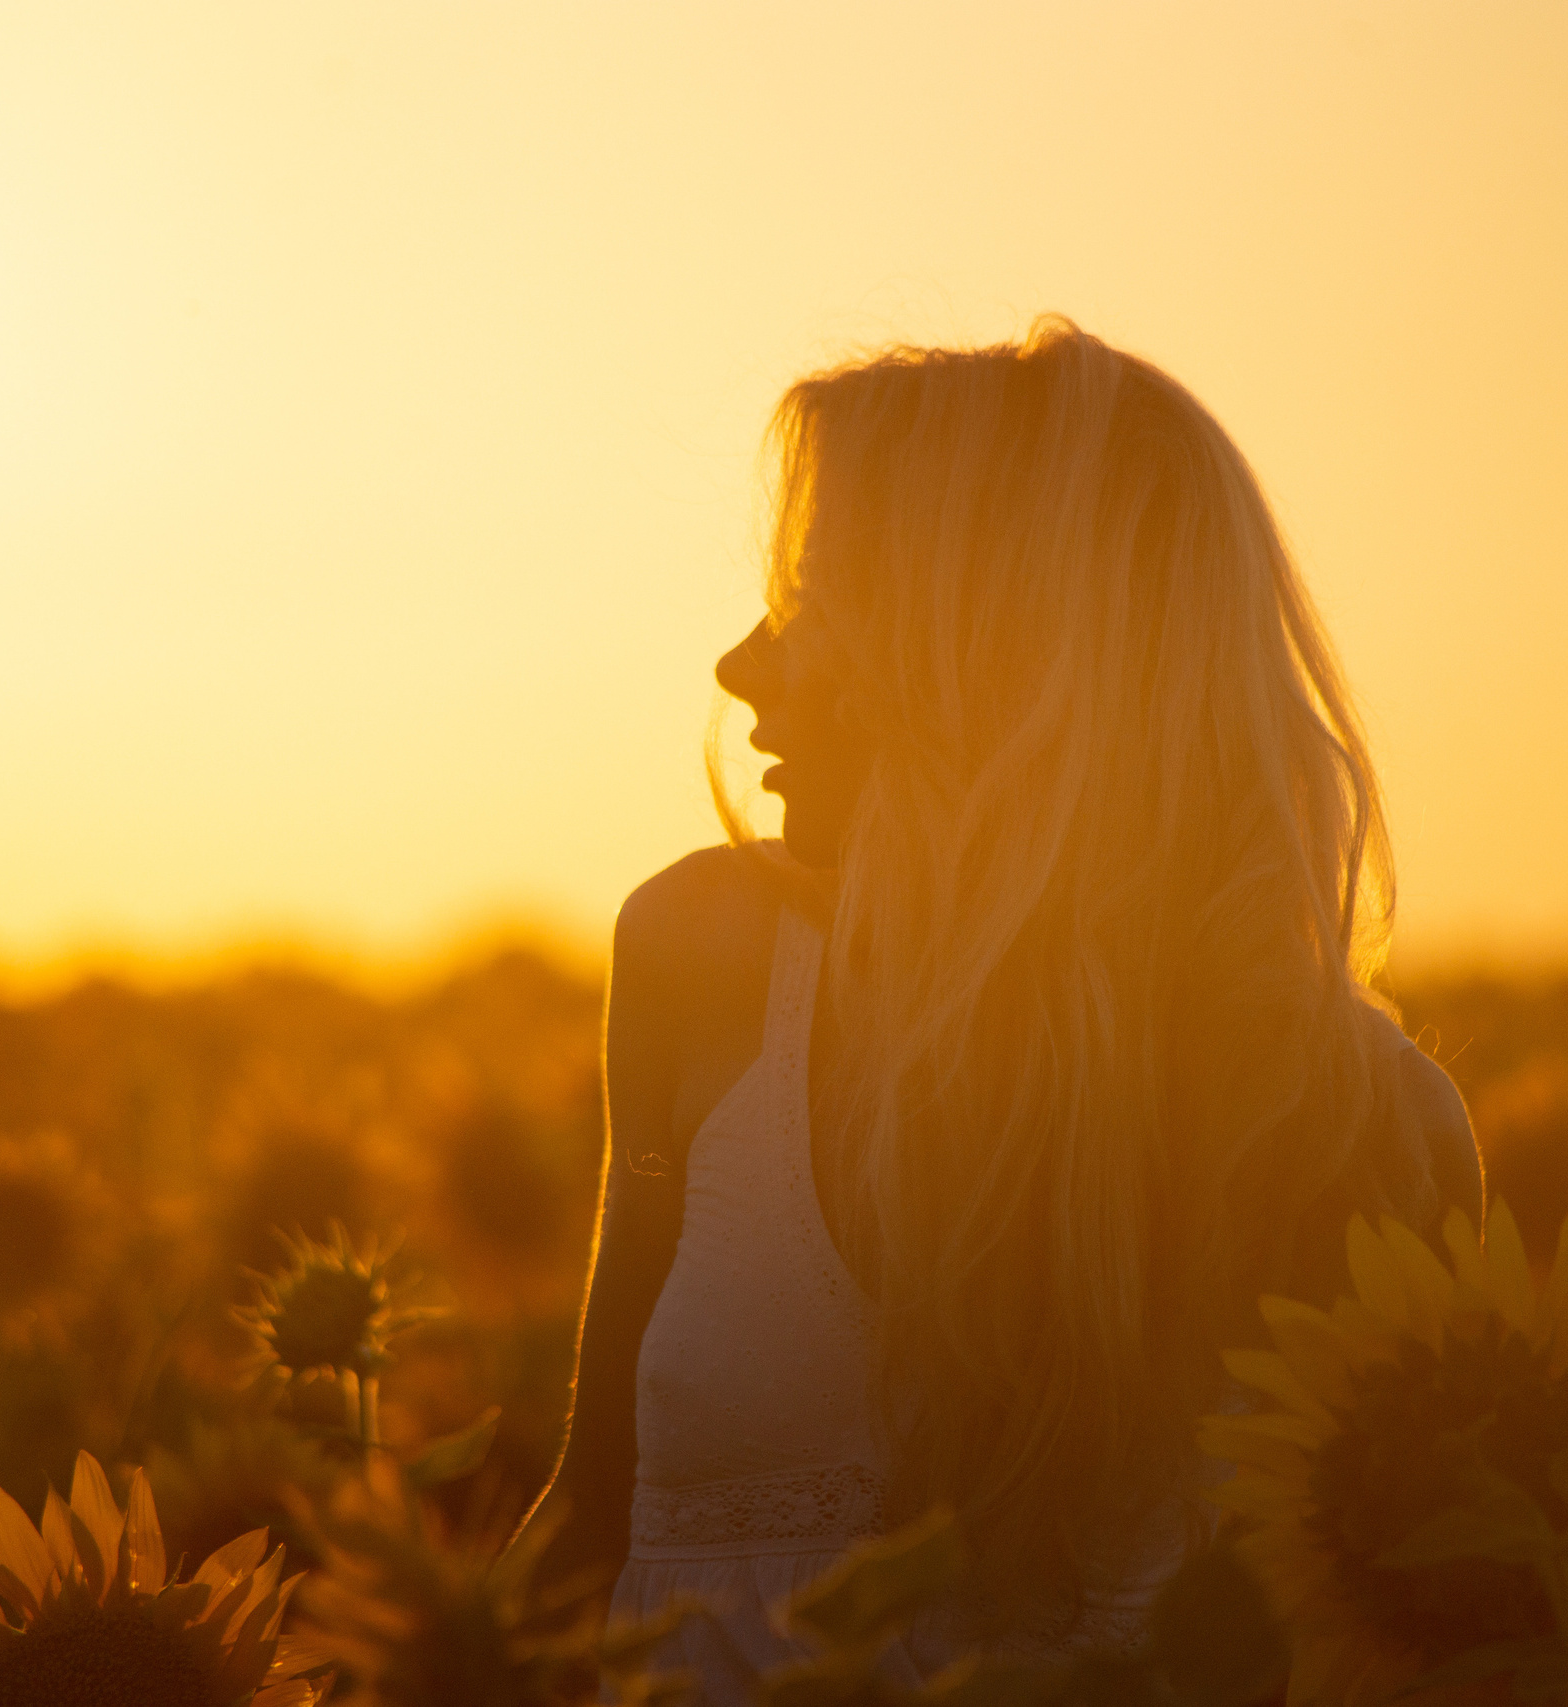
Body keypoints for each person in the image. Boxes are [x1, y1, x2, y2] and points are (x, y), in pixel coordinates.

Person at [525, 317, 1482, 1700]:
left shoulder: (1368, 1136)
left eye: (808, 603)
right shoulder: (701, 967)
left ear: (991, 651)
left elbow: (1432, 1642)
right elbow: (587, 1520)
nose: (741, 666)